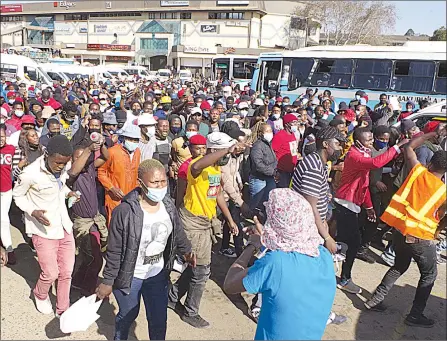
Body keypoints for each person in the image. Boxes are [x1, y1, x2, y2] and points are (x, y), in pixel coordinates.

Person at [95, 159, 195, 340]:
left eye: (163, 181)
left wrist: (187, 250)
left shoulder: (168, 204)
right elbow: (115, 250)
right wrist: (108, 281)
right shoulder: (124, 212)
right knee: (127, 316)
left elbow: (177, 231)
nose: (160, 186)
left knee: (158, 319)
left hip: (157, 275)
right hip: (130, 276)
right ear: (141, 183)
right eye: (154, 182)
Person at [223, 188, 336, 340]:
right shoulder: (324, 257)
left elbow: (230, 284)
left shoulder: (276, 263)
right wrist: (268, 238)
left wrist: (252, 246)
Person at [365, 127, 447, 328]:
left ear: (429, 163)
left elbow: (410, 146)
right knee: (429, 275)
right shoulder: (443, 191)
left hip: (400, 232)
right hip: (420, 237)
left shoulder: (417, 172)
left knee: (399, 266)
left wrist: (430, 134)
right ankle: (415, 314)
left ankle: (375, 299)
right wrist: (438, 231)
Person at [168, 132, 239, 329]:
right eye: (225, 153)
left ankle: (172, 296)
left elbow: (217, 195)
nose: (227, 157)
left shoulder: (216, 168)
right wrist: (226, 150)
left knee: (196, 266)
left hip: (206, 221)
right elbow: (197, 167)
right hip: (192, 222)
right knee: (201, 270)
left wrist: (230, 219)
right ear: (216, 150)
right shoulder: (197, 164)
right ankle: (191, 312)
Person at [334, 127, 407, 294]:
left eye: (372, 140)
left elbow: (364, 184)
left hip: (353, 203)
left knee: (348, 243)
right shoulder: (354, 154)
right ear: (359, 141)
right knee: (349, 243)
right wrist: (396, 147)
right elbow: (375, 164)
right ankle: (344, 279)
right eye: (369, 140)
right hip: (345, 203)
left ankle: (344, 276)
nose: (372, 143)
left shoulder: (364, 153)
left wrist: (369, 207)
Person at [13, 135, 78, 317]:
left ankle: (63, 309)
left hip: (64, 226)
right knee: (50, 273)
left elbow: (60, 186)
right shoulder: (30, 174)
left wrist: (69, 193)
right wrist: (32, 211)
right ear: (46, 154)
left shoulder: (61, 169)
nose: (61, 166)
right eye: (58, 162)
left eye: (64, 163)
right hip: (43, 230)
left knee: (66, 272)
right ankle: (40, 294)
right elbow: (18, 196)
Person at [68, 141, 109, 296]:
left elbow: (106, 157)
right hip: (82, 223)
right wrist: (87, 150)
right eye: (79, 158)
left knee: (90, 257)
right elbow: (73, 171)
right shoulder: (72, 175)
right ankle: (88, 290)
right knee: (95, 259)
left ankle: (78, 282)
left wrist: (102, 144)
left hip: (94, 220)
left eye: (86, 157)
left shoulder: (90, 169)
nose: (83, 160)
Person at [98, 123, 141, 224]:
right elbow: (101, 172)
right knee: (114, 227)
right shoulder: (112, 152)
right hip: (115, 198)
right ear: (124, 138)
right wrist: (111, 188)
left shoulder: (137, 152)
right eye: (131, 139)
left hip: (132, 198)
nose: (133, 142)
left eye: (136, 140)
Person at [249, 123, 277, 210]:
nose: (270, 133)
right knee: (256, 203)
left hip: (270, 178)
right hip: (259, 179)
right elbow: (258, 164)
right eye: (267, 131)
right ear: (261, 133)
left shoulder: (268, 144)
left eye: (271, 131)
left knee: (270, 201)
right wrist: (272, 172)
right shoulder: (258, 145)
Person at [176, 134, 207, 208]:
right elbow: (181, 191)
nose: (201, 151)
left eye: (204, 148)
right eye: (198, 149)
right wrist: (177, 207)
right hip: (191, 205)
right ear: (190, 149)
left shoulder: (209, 163)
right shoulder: (185, 166)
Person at [0, 125, 16, 264]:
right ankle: (8, 248)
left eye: (2, 137)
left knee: (3, 219)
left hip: (6, 190)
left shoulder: (11, 149)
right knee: (3, 219)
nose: (1, 139)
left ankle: (7, 248)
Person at [271, 113, 299, 188]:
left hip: (291, 170)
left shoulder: (292, 134)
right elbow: (272, 152)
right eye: (294, 122)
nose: (296, 124)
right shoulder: (279, 136)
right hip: (281, 171)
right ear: (286, 124)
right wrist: (275, 170)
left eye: (297, 122)